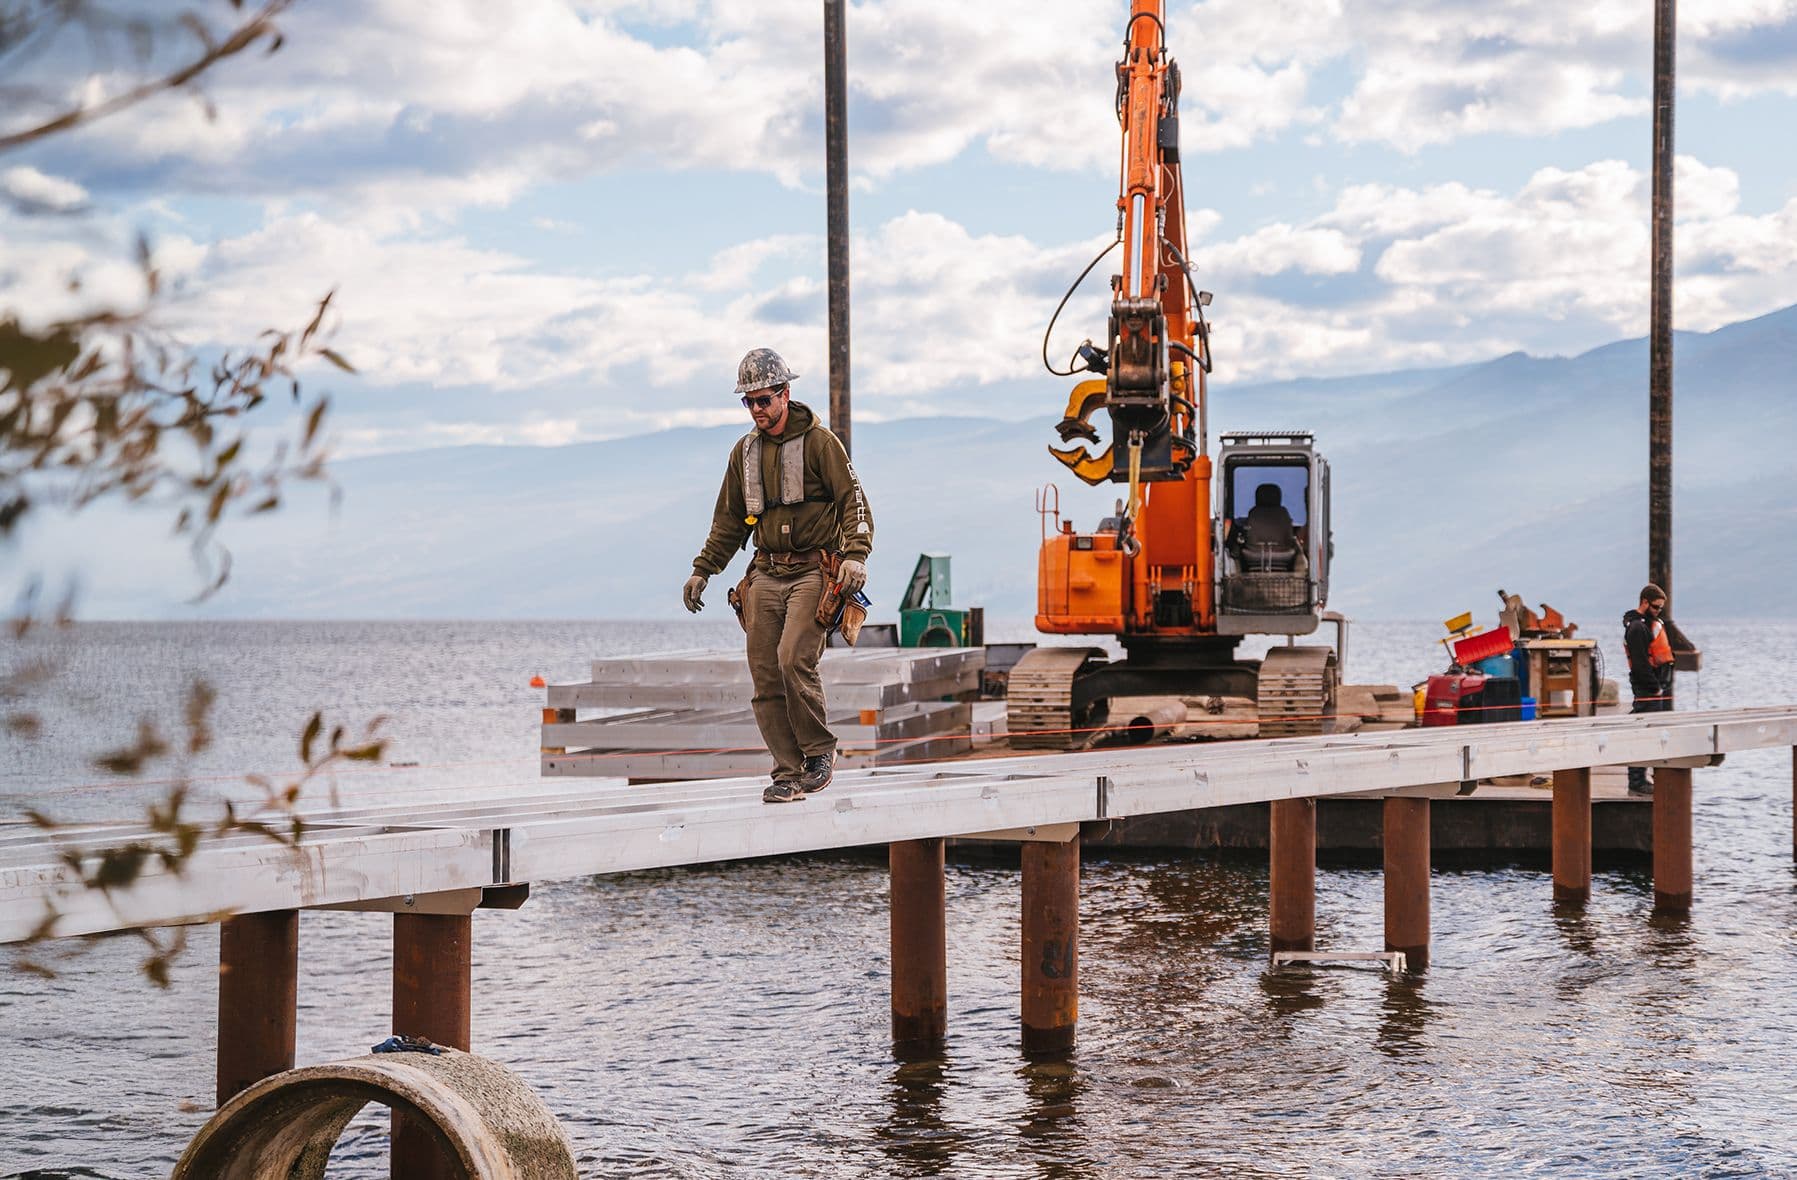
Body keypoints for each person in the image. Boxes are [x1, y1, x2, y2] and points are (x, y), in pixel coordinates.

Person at [683, 347, 873, 804]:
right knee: (766, 675)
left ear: (785, 394)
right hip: (766, 573)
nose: (756, 410)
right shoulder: (743, 453)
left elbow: (854, 503)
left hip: (813, 571)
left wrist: (855, 555)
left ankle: (819, 753)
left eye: (763, 399)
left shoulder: (821, 444)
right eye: (748, 402)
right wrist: (702, 570)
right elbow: (728, 521)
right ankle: (788, 773)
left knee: (793, 659)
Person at [1622, 582, 1675, 796]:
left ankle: (1645, 776)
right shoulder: (1637, 628)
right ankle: (1636, 780)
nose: (1658, 611)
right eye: (1655, 607)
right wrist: (1655, 688)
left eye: (1661, 608)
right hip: (1647, 690)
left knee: (1651, 732)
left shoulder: (1647, 624)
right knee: (1641, 733)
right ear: (1644, 602)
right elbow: (1641, 663)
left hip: (1654, 688)